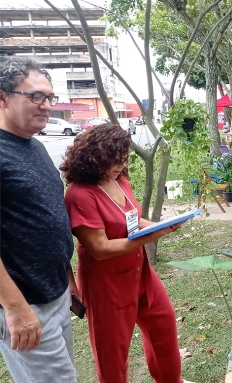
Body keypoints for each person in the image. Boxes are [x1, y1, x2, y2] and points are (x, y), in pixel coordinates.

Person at [61, 124, 192, 383]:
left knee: (162, 324)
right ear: (95, 158)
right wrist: (154, 235)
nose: (120, 166)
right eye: (114, 161)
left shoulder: (120, 181)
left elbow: (132, 221)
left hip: (139, 271)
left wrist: (159, 226)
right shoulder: (80, 194)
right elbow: (100, 249)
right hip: (106, 283)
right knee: (112, 351)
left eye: (123, 160)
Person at [0, 58, 78, 382]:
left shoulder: (36, 147)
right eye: (35, 97)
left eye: (50, 98)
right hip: (27, 304)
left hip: (56, 294)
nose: (46, 106)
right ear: (2, 97)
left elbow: (49, 217)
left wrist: (68, 278)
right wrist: (16, 309)